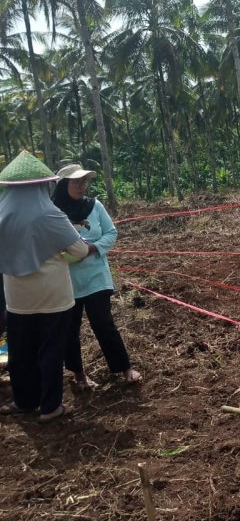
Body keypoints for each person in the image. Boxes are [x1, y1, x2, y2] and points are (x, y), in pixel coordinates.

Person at [0, 151, 89, 422]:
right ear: (42, 185)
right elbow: (81, 250)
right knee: (50, 350)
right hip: (53, 295)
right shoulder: (51, 215)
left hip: (17, 297)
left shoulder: (1, 214)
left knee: (21, 351)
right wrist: (61, 256)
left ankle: (24, 401)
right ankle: (50, 407)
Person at [52, 164, 141, 388]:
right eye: (76, 182)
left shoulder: (95, 206)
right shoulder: (52, 213)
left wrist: (92, 248)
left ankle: (124, 368)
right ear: (63, 186)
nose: (82, 186)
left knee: (103, 323)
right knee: (70, 328)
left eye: (84, 182)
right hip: (66, 280)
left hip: (96, 276)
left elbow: (111, 232)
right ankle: (79, 374)